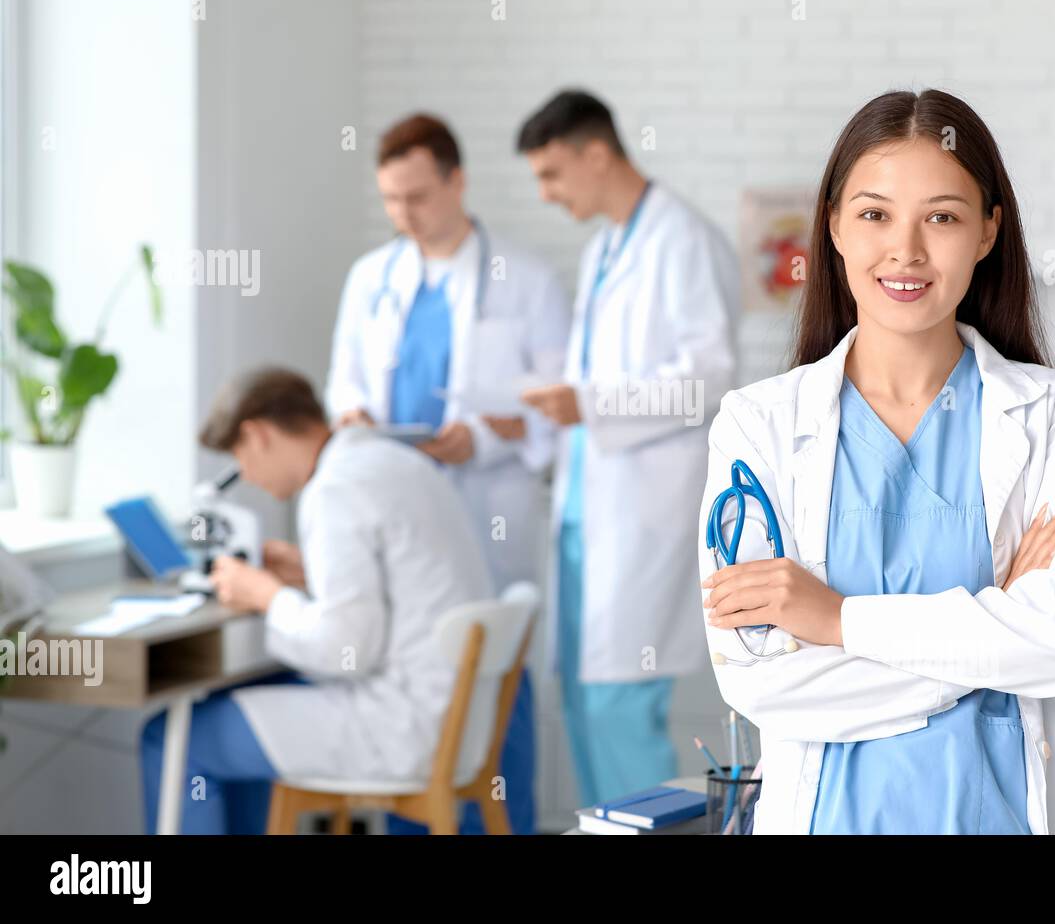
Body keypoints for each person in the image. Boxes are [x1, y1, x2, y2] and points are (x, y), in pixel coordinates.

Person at [699, 89, 1055, 834]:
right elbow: (762, 684)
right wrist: (992, 631)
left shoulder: (1053, 412)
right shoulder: (758, 425)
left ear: (989, 231)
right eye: (873, 214)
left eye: (943, 217)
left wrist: (836, 619)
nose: (906, 250)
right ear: (832, 224)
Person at [326, 113, 569, 834]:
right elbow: (342, 384)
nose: (405, 214)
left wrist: (487, 442)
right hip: (397, 519)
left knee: (497, 689)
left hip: (485, 509)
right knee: (412, 688)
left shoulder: (524, 278)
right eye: (392, 200)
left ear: (457, 181)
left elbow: (558, 407)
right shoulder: (370, 278)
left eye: (419, 196)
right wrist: (357, 419)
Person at [139, 368, 491, 834]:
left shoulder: (334, 489)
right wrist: (309, 572)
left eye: (240, 458)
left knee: (171, 740)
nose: (247, 476)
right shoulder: (395, 463)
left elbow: (344, 650)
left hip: (400, 725)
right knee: (235, 705)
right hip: (455, 722)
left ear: (257, 434)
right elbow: (397, 583)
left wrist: (267, 596)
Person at [515, 90, 739, 807]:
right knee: (582, 700)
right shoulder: (605, 247)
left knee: (620, 707)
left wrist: (589, 404)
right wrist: (556, 410)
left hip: (639, 518)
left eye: (551, 174)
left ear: (597, 153)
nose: (546, 194)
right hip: (587, 509)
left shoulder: (683, 240)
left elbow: (710, 378)